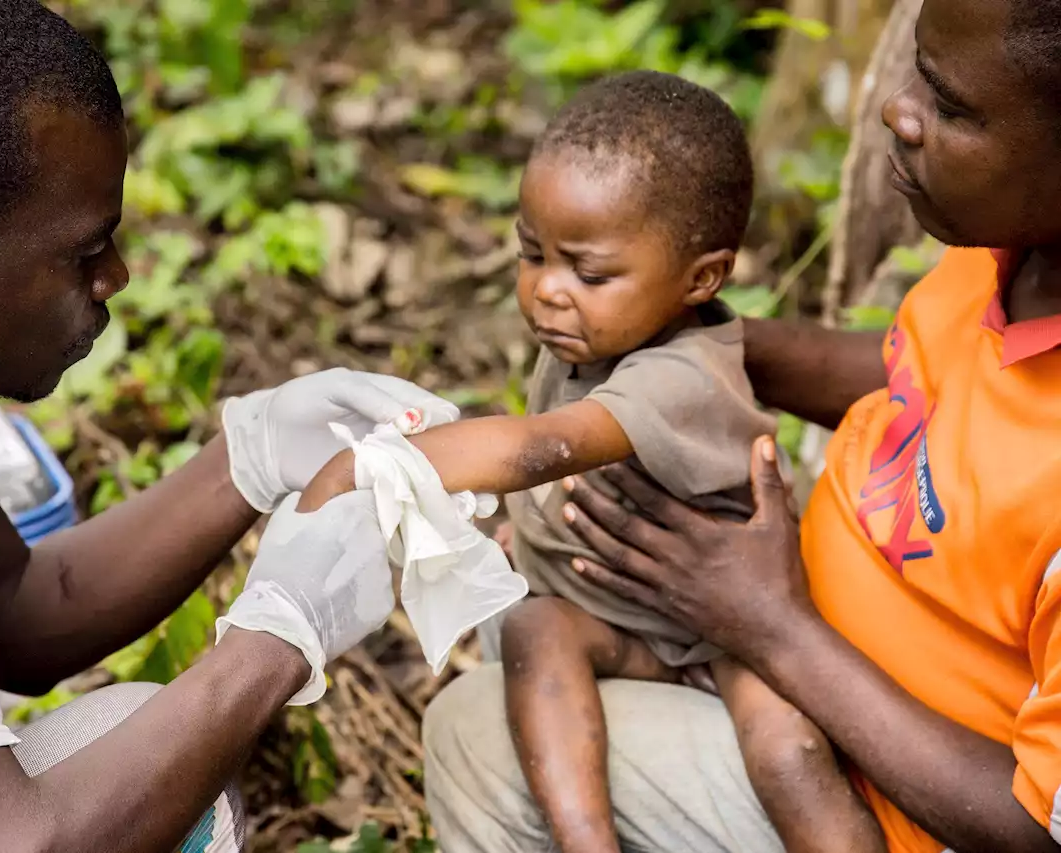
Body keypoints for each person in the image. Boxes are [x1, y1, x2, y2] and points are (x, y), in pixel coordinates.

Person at [0, 3, 460, 853]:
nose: (117, 276)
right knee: (169, 807)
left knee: (134, 745)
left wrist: (246, 459)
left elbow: (15, 613)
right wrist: (277, 641)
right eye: (83, 251)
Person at [421, 0, 1061, 851]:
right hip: (776, 648)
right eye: (917, 68)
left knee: (480, 734)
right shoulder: (1011, 253)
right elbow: (925, 370)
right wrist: (680, 359)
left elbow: (1038, 828)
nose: (895, 108)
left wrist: (772, 625)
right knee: (532, 639)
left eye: (950, 108)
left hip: (898, 799)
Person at [298, 70, 884, 853]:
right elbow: (559, 474)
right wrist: (530, 529)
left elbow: (542, 447)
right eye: (531, 253)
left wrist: (373, 465)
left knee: (789, 753)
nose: (547, 291)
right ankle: (587, 841)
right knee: (539, 631)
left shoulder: (681, 375)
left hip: (732, 637)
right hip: (628, 622)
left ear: (702, 278)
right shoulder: (594, 336)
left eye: (589, 272)